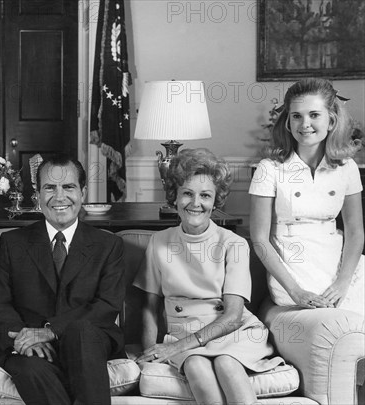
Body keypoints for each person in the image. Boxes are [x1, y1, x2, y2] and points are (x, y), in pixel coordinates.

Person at [134, 149, 284, 404]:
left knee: (227, 363)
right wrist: (150, 351)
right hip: (184, 334)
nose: (196, 203)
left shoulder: (234, 244)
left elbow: (233, 316)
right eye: (187, 194)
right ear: (174, 197)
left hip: (232, 331)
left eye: (205, 195)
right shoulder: (158, 242)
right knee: (195, 366)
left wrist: (176, 347)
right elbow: (149, 307)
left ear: (216, 201)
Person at [0, 155, 126, 405]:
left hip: (88, 343)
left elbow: (107, 305)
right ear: (37, 194)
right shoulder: (12, 243)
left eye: (68, 187)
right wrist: (23, 340)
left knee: (81, 331)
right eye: (50, 187)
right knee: (29, 369)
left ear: (83, 192)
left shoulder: (108, 245)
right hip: (29, 349)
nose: (59, 197)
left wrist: (50, 331)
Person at [249, 78, 364, 317]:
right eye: (297, 116)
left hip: (339, 266)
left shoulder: (347, 167)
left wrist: (343, 282)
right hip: (292, 272)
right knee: (331, 323)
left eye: (314, 115)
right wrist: (295, 291)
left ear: (331, 120)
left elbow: (354, 231)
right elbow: (259, 239)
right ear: (288, 123)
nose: (305, 124)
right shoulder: (269, 168)